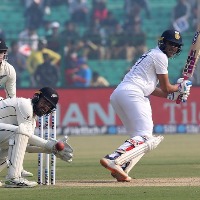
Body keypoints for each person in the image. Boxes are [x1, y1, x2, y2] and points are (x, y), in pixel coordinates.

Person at [100, 29, 192, 182]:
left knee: (140, 138)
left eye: (176, 46)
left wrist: (175, 94)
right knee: (145, 137)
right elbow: (167, 88)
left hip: (120, 94)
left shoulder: (153, 54)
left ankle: (122, 167)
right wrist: (180, 87)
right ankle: (113, 158)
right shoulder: (160, 56)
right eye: (170, 44)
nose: (173, 48)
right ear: (163, 42)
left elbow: (156, 90)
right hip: (132, 94)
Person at [0, 87, 73, 188]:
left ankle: (14, 177)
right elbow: (22, 133)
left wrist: (50, 150)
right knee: (20, 132)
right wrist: (48, 144)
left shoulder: (32, 122)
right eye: (44, 102)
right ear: (36, 97)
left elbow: (23, 145)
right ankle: (14, 178)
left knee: (10, 148)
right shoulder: (25, 105)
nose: (45, 107)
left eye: (49, 106)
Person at [0, 39, 34, 177]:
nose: (0, 55)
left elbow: (11, 100)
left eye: (1, 52)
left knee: (22, 123)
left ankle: (17, 166)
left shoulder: (9, 70)